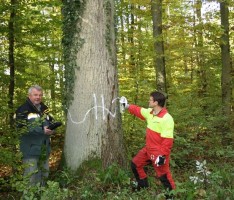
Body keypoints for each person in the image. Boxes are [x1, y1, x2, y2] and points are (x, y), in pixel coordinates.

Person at [120, 91, 175, 199]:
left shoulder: (167, 119)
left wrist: (162, 156)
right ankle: (143, 185)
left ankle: (171, 196)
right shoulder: (150, 113)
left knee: (163, 175)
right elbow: (139, 110)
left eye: (150, 100)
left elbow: (168, 141)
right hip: (148, 150)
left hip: (159, 153)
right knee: (135, 164)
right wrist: (127, 106)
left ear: (156, 102)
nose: (148, 101)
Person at [15, 85, 54, 186]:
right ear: (29, 96)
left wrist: (51, 129)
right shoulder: (22, 109)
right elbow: (21, 128)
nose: (38, 97)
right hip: (30, 150)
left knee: (44, 177)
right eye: (35, 95)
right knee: (30, 179)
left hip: (44, 150)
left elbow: (49, 122)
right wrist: (42, 130)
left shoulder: (45, 109)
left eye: (40, 95)